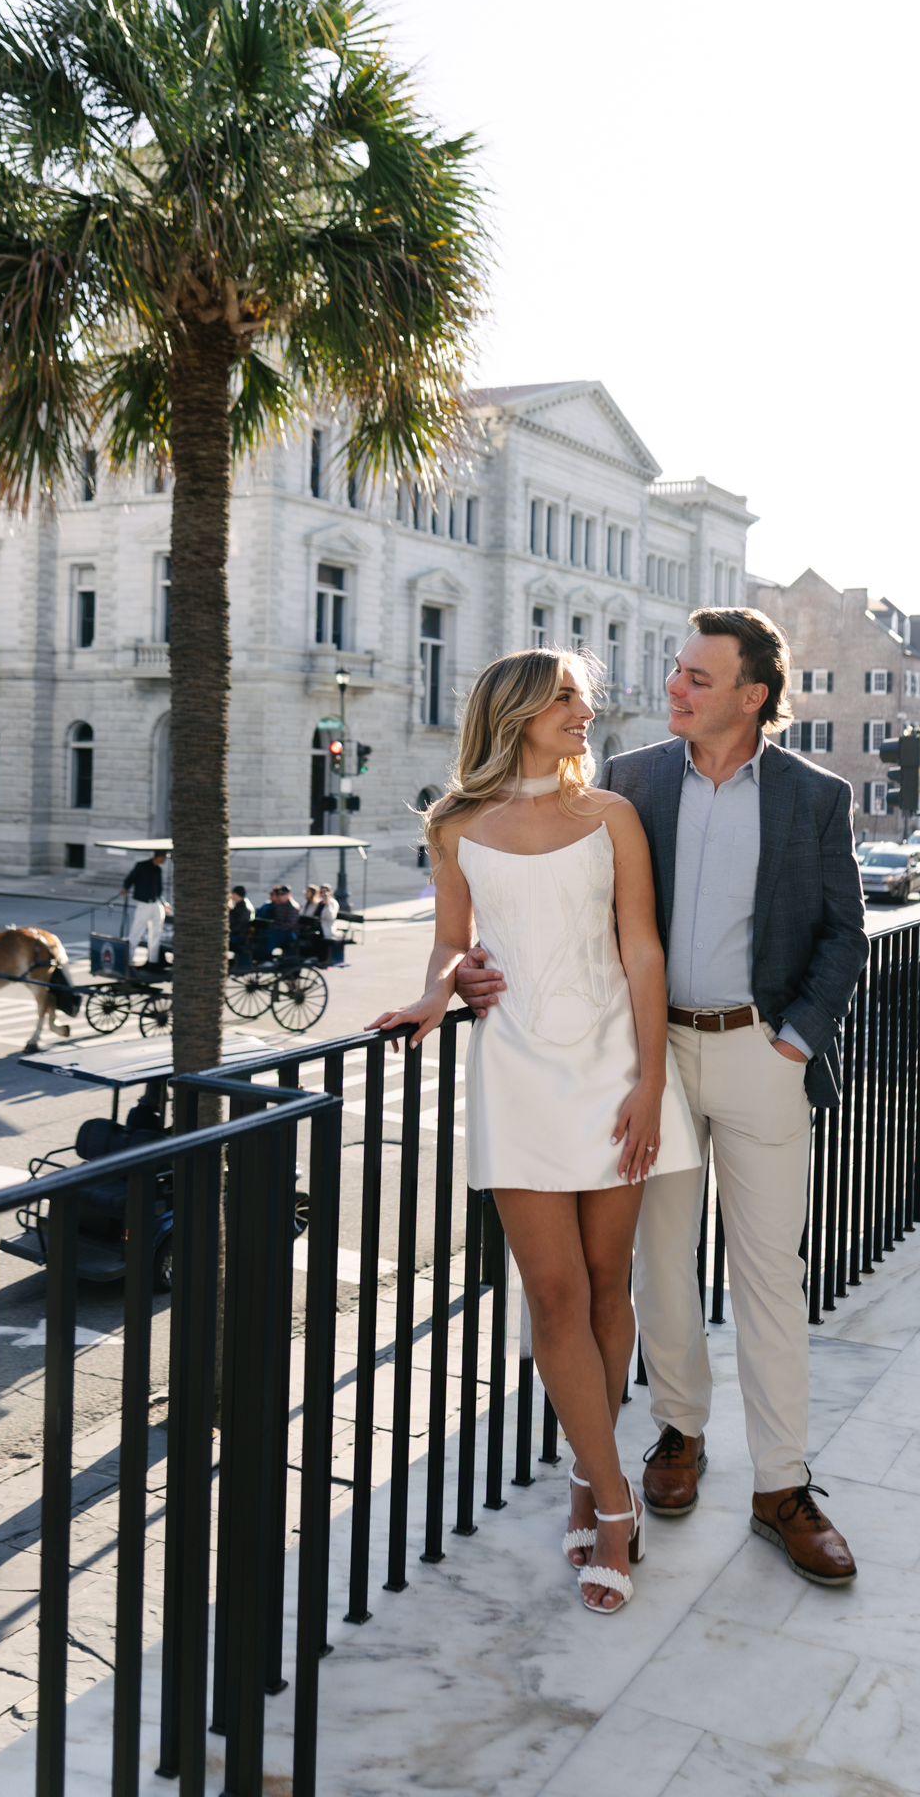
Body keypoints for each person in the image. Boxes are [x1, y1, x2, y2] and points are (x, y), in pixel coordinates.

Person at [457, 608, 868, 1588]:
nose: (673, 687)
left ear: (751, 695)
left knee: (771, 1269)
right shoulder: (630, 780)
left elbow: (845, 933)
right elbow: (559, 900)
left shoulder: (814, 795)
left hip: (761, 1053)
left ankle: (783, 1485)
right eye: (677, 672)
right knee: (659, 1267)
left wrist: (793, 1038)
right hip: (645, 1059)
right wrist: (474, 966)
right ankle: (675, 1436)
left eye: (694, 675)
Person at [368, 648, 700, 1616]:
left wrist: (649, 1082)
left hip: (614, 1071)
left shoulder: (613, 815)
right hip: (517, 1070)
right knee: (552, 1294)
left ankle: (589, 1477)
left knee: (607, 1285)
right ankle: (615, 1500)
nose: (583, 709)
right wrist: (434, 996)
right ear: (514, 710)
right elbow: (452, 937)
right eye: (564, 696)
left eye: (583, 697)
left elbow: (642, 945)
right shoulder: (456, 823)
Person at [122, 850, 168, 968]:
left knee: (156, 932)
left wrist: (163, 903)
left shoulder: (158, 869)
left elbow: (159, 888)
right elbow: (131, 878)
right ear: (160, 856)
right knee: (137, 931)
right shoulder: (142, 866)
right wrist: (125, 888)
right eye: (165, 857)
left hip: (155, 903)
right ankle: (128, 960)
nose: (166, 859)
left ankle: (153, 960)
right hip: (144, 903)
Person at [228, 886, 255, 970]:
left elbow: (239, 926)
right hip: (237, 934)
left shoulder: (244, 907)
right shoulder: (238, 905)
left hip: (240, 936)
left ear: (236, 894)